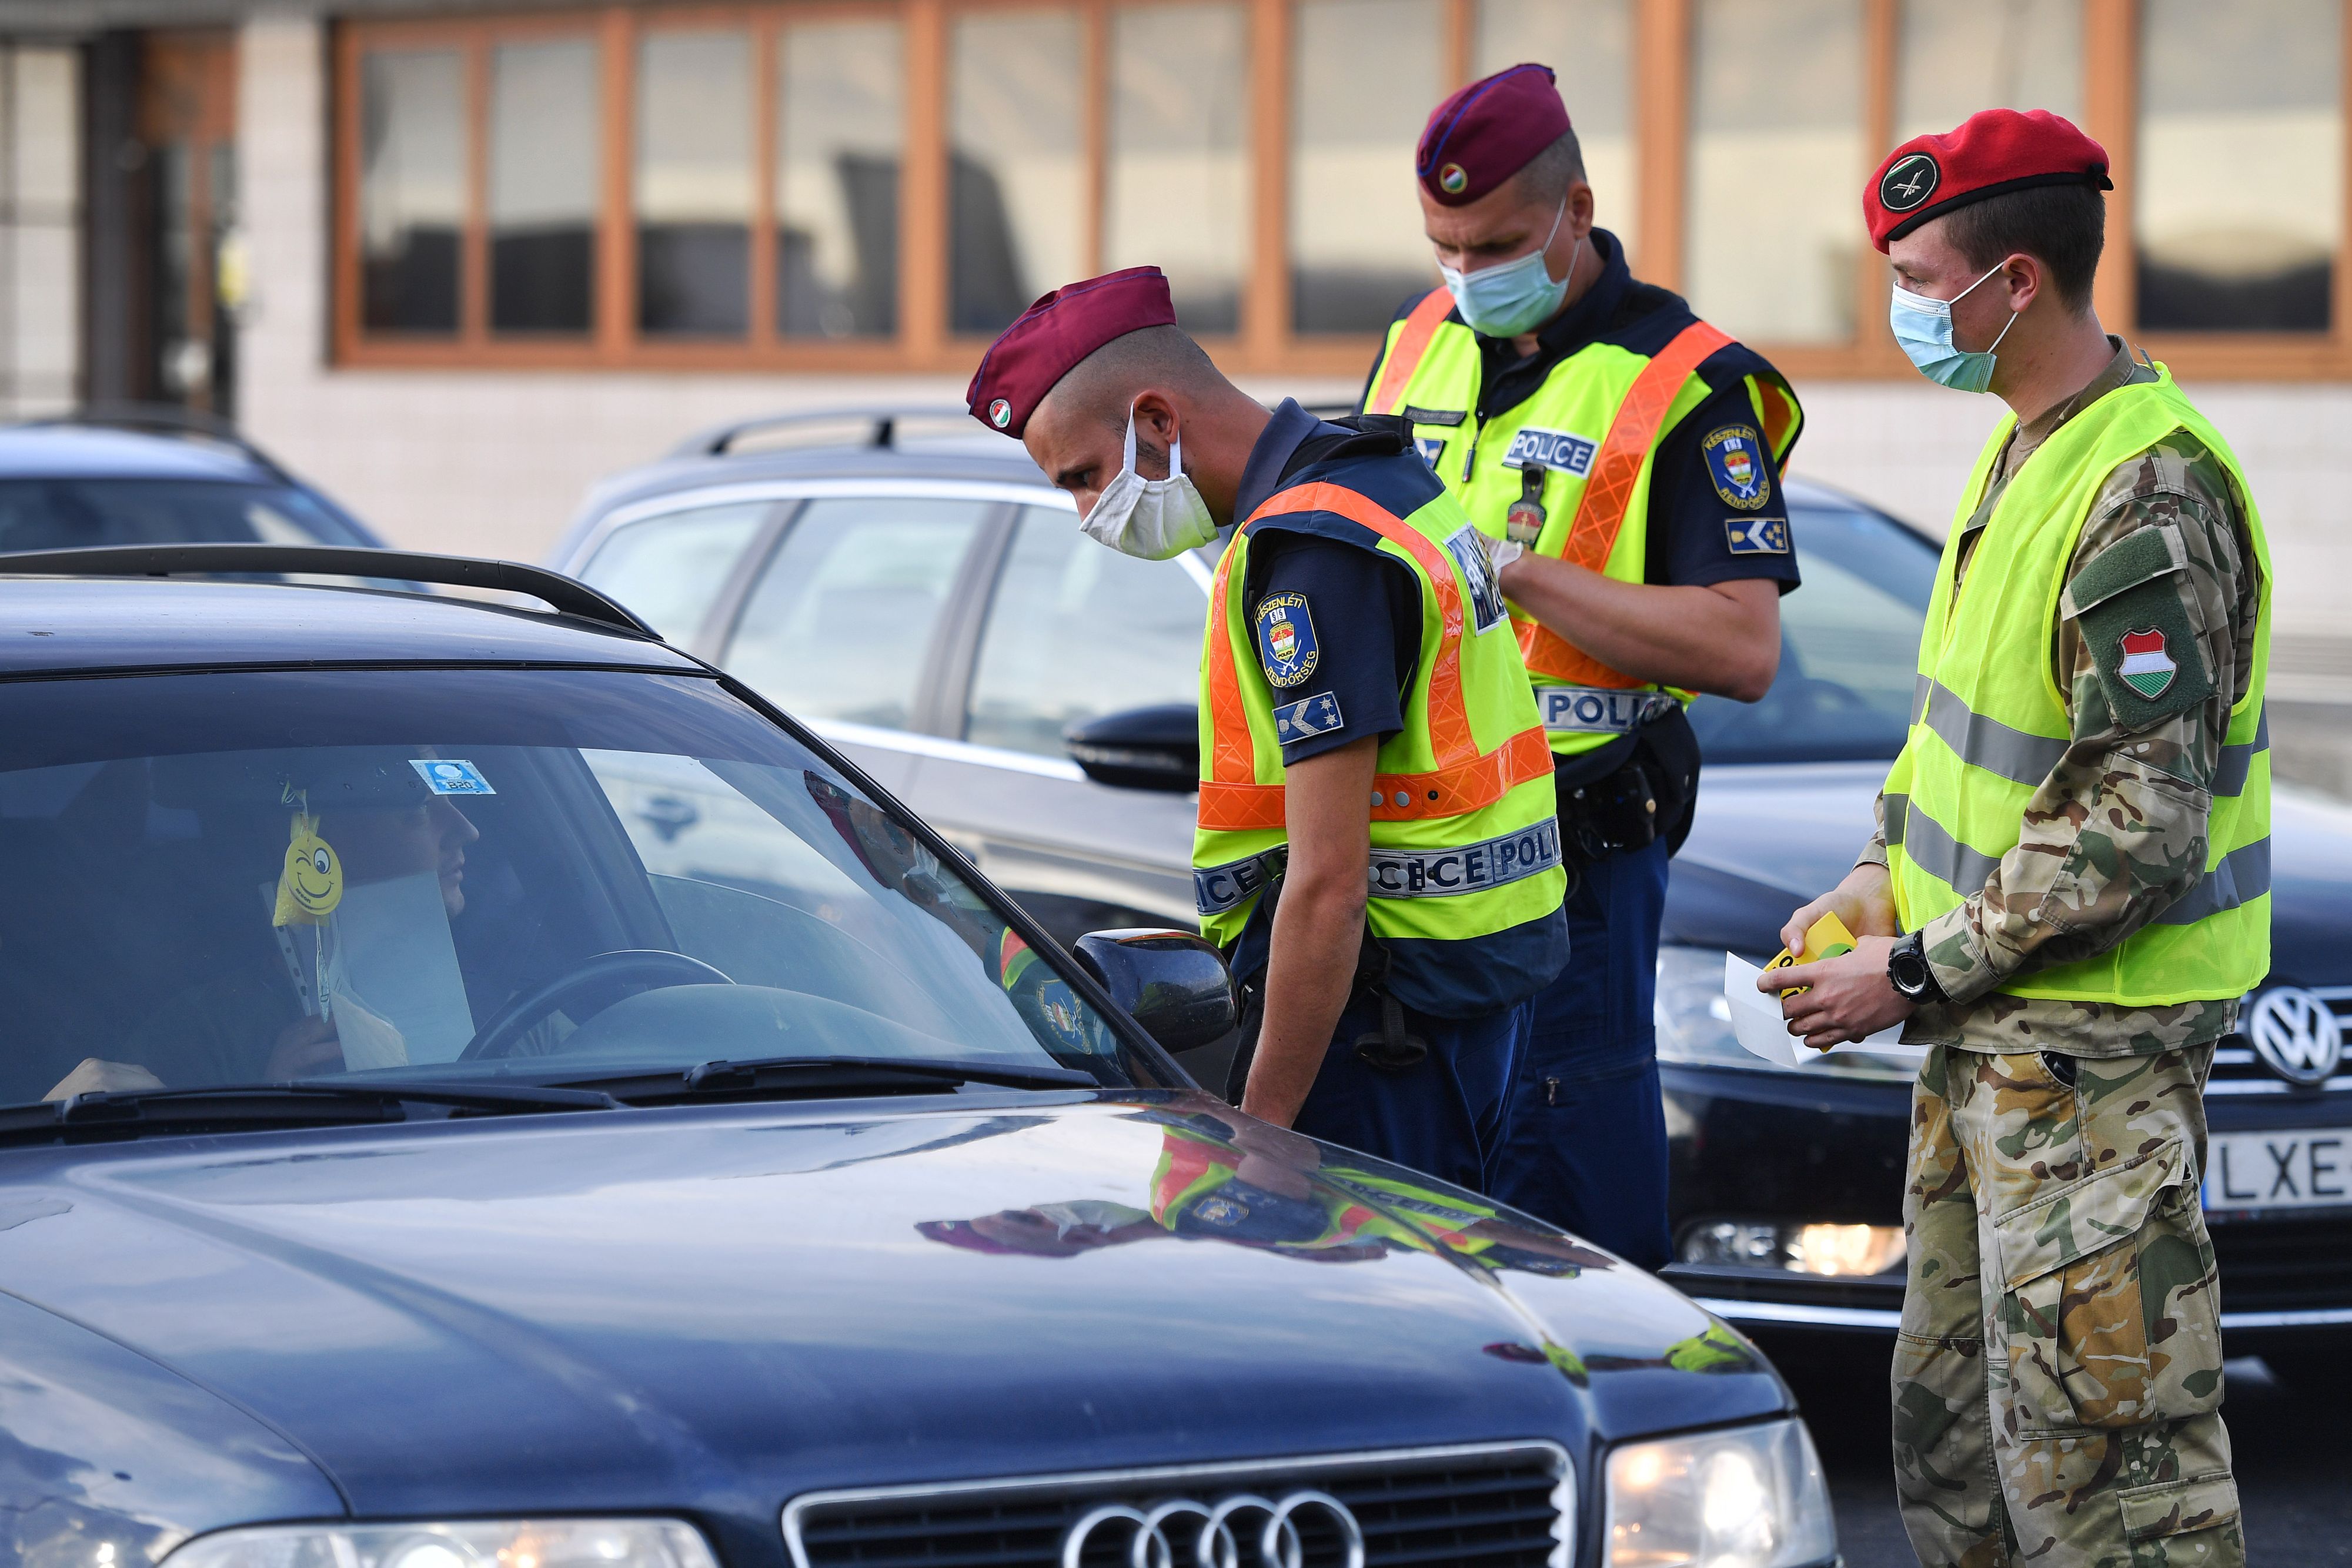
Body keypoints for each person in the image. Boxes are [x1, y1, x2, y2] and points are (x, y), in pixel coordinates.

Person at [1766, 109, 2261, 1567]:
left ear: (2016, 281)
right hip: (1992, 1048)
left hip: (2087, 1065)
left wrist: (1906, 971)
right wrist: (1876, 877)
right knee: (1964, 1462)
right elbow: (1962, 736)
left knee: (2109, 1495)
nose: (1899, 308)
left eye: (1916, 279)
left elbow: (2135, 820)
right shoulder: (2030, 448)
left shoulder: (2144, 484)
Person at [967, 266, 1568, 1197]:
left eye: (1084, 477)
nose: (1088, 514)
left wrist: (1265, 1129)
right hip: (1467, 1001)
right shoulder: (1383, 476)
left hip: (1379, 1032)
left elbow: (1328, 884)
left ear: (1156, 419)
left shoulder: (1312, 552)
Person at [1359, 63, 1805, 1268]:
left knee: (1566, 1219)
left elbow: (1742, 649)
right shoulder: (1415, 337)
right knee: (1419, 1216)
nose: (1467, 274)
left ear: (1577, 210)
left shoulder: (1689, 381)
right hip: (1415, 848)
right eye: (1445, 247)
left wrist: (1519, 572)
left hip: (1574, 860)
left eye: (1498, 245)